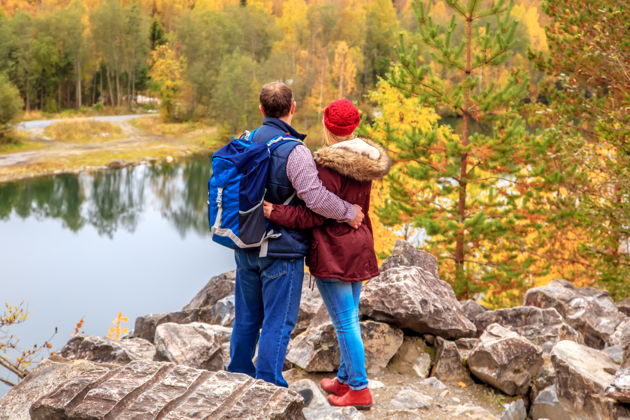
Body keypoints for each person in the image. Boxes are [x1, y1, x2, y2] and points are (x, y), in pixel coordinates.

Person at [227, 82, 365, 391]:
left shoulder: (244, 140)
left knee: (247, 317)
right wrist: (349, 212)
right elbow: (315, 199)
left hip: (245, 244)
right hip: (281, 250)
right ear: (293, 107)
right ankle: (269, 385)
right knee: (279, 321)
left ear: (261, 110)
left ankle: (237, 374)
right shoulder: (295, 151)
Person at [263, 98, 391, 409]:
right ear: (356, 126)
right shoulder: (368, 159)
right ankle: (346, 378)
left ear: (325, 122)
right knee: (350, 316)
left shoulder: (327, 165)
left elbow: (315, 214)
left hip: (333, 250)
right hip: (360, 244)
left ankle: (359, 388)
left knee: (345, 321)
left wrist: (275, 212)